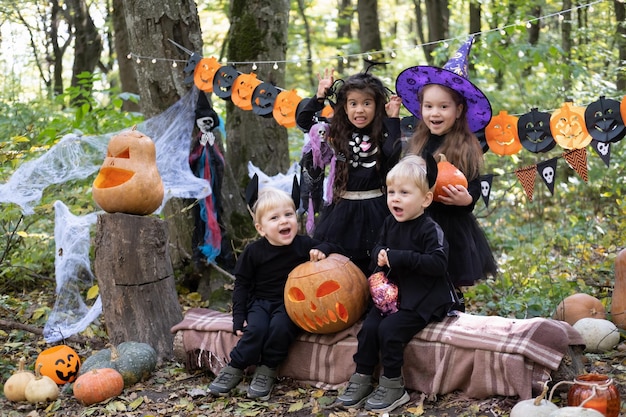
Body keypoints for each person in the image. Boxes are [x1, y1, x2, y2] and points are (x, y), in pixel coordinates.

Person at [335, 154, 454, 413]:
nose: (395, 199)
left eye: (404, 193)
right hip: (393, 296)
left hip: (422, 298)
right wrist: (380, 254)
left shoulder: (429, 229)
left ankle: (393, 385)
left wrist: (397, 257)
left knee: (389, 330)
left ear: (425, 199)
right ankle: (362, 376)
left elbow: (437, 264)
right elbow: (380, 246)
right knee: (368, 330)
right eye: (391, 192)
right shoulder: (390, 222)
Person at [208, 186, 342, 400]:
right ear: (261, 229)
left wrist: (323, 249)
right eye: (275, 218)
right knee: (256, 330)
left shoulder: (304, 245)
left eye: (288, 214)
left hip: (291, 304)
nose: (284, 221)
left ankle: (267, 368)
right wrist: (238, 318)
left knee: (280, 329)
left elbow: (334, 247)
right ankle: (235, 366)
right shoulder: (253, 252)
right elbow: (241, 285)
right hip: (260, 302)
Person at [395, 36, 497, 307]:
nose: (434, 113)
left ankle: (453, 311)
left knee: (448, 278)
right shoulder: (418, 141)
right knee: (420, 274)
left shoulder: (467, 146)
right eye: (428, 106)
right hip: (420, 221)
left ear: (458, 109)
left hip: (450, 223)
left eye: (443, 106)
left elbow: (473, 185)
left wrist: (467, 200)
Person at [296, 68, 403, 276]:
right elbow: (304, 122)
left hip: (376, 208)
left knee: (375, 266)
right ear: (344, 107)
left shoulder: (383, 132)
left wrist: (393, 119)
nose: (359, 110)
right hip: (342, 210)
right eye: (353, 103)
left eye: (366, 103)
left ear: (377, 106)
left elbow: (392, 155)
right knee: (342, 267)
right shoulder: (335, 131)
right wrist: (319, 97)